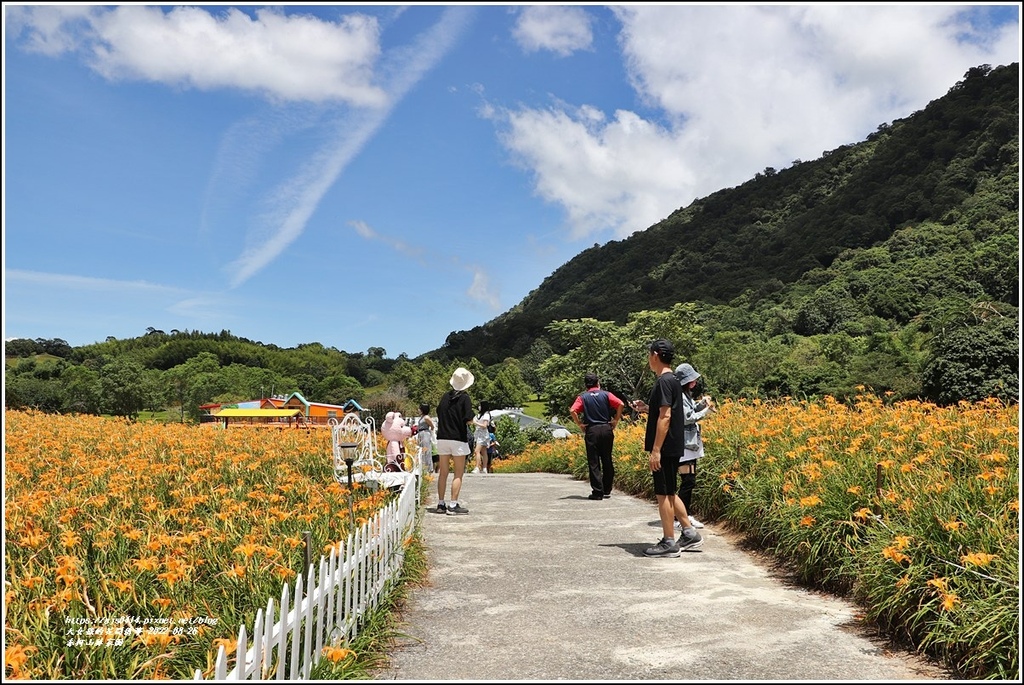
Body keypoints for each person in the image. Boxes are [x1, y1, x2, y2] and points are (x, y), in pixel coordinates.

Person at [629, 339, 703, 557]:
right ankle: (689, 533)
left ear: (655, 355)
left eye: (648, 355)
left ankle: (669, 542)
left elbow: (666, 415)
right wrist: (647, 408)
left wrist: (656, 450)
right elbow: (666, 410)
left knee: (663, 494)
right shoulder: (673, 381)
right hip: (675, 444)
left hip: (665, 446)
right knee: (670, 491)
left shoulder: (662, 382)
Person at [569, 372, 624, 500]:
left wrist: (580, 424)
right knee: (607, 459)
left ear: (586, 385)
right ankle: (607, 489)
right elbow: (620, 404)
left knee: (594, 462)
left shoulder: (583, 397)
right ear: (598, 383)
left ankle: (597, 492)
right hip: (606, 428)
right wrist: (615, 419)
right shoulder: (606, 394)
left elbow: (572, 410)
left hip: (592, 430)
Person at [674, 363, 714, 530]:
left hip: (689, 445)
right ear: (686, 381)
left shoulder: (685, 394)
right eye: (692, 379)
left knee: (689, 481)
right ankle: (681, 518)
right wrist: (707, 412)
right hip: (684, 446)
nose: (695, 382)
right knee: (687, 481)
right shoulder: (679, 396)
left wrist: (701, 404)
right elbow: (687, 418)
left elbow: (690, 411)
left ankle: (685, 515)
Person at [435, 368, 475, 515]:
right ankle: (453, 504)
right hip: (457, 438)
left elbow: (439, 412)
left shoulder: (445, 397)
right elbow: (468, 419)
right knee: (458, 473)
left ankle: (440, 504)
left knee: (443, 473)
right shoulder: (465, 398)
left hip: (442, 437)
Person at [472, 400, 493, 474]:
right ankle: (484, 468)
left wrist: (476, 423)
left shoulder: (486, 415)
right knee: (484, 452)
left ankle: (477, 467)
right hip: (478, 434)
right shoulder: (480, 414)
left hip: (483, 435)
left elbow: (484, 425)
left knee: (477, 451)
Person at [415, 402, 436, 474]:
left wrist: (430, 432)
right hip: (421, 433)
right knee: (422, 450)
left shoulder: (426, 417)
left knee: (426, 450)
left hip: (425, 433)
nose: (418, 410)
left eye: (420, 408)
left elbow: (432, 426)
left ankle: (428, 468)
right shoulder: (422, 417)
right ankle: (423, 467)